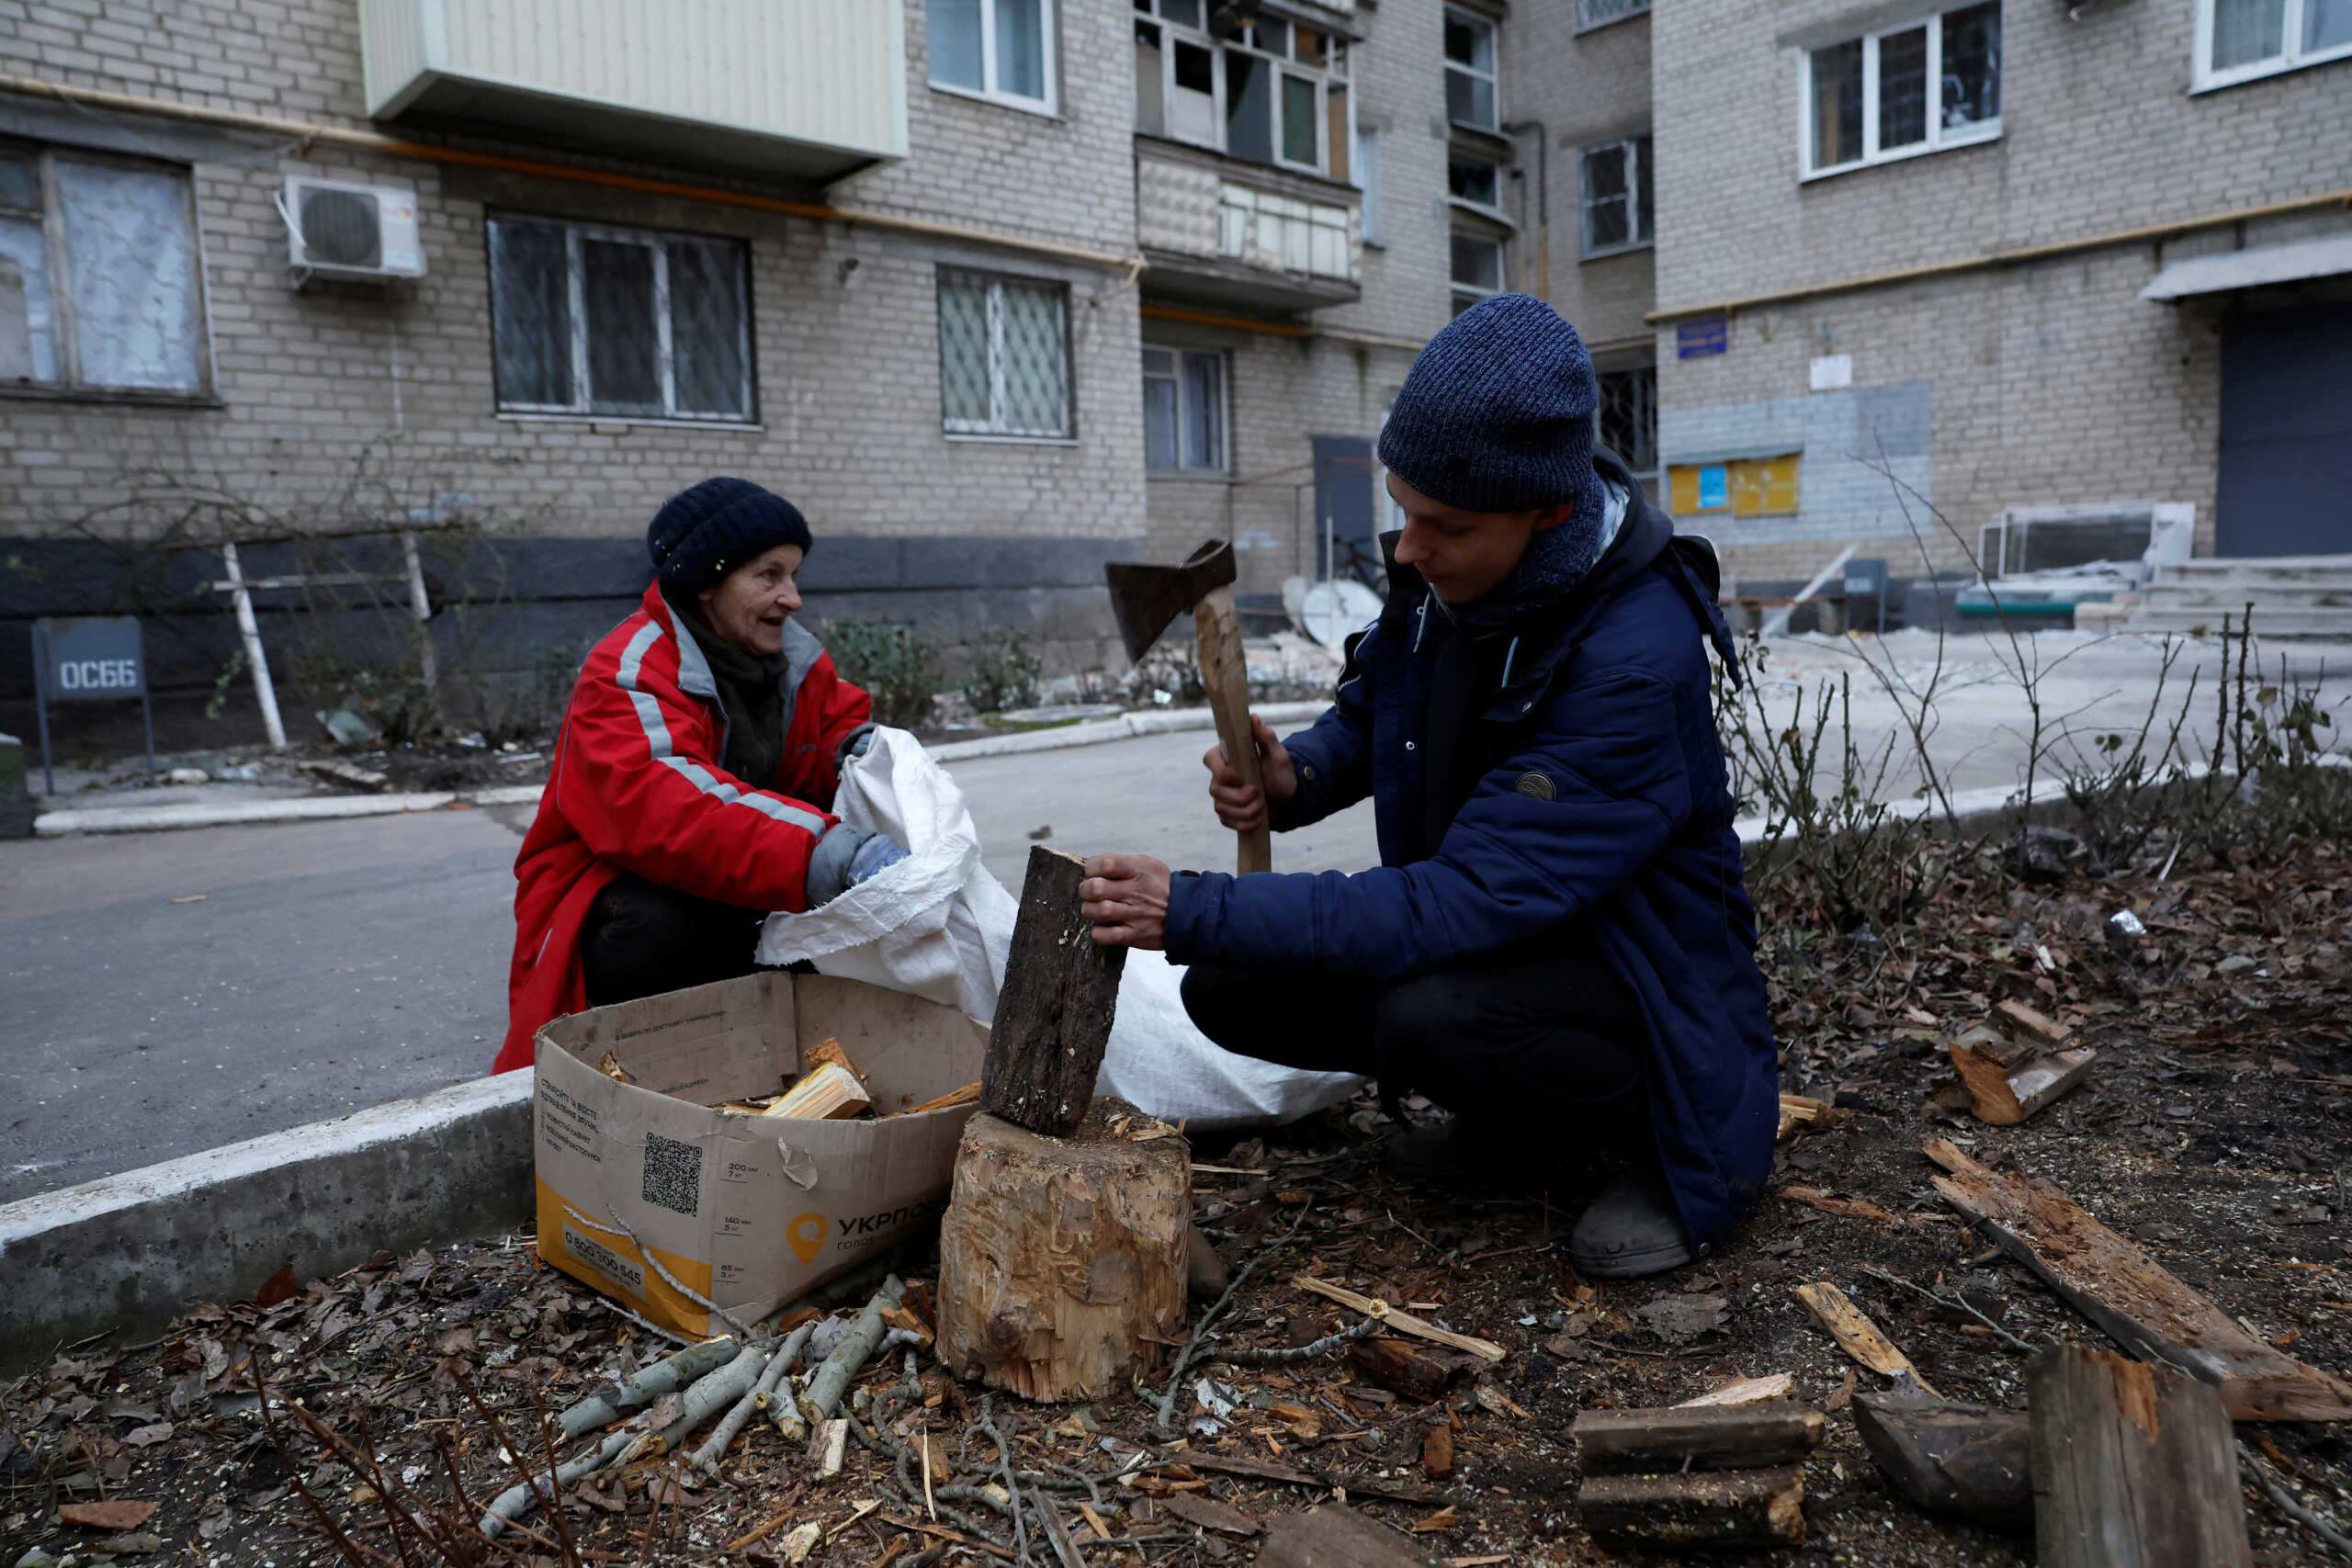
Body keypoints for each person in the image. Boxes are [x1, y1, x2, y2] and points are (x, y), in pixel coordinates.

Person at [1079, 295, 1777, 1279]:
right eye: (1403, 513)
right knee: (1234, 988)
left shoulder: (1634, 659)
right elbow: (1378, 714)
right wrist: (1297, 775)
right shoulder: (1454, 574)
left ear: (1551, 513)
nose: (1407, 550)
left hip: (1639, 979)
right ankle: (1515, 1123)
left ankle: (1655, 1145)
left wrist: (1191, 904)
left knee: (1430, 1009)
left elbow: (1457, 901)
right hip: (1503, 940)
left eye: (1439, 525)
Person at [494, 477, 906, 1073]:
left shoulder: (792, 659)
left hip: (720, 882)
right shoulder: (628, 668)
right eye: (769, 575)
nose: (792, 598)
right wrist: (830, 851)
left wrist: (861, 754)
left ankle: (764, 1069)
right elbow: (670, 806)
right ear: (707, 582)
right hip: (616, 901)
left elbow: (827, 728)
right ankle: (665, 1074)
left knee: (818, 935)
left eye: (793, 575)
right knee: (676, 924)